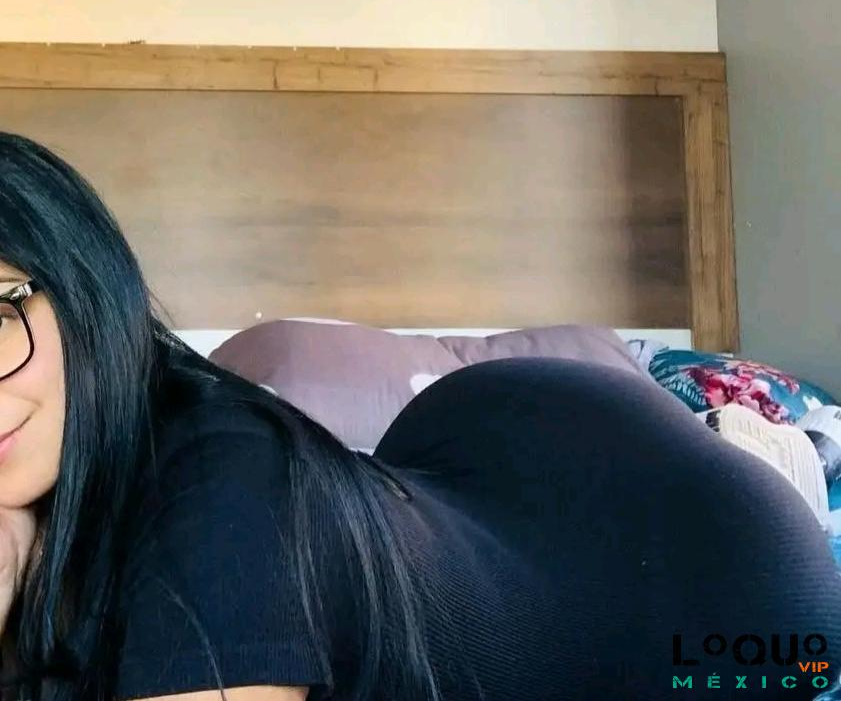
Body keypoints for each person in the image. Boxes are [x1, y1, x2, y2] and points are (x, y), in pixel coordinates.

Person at [0, 130, 839, 701]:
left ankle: (767, 450)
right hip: (460, 474)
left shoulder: (215, 497)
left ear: (86, 286)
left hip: (715, 573)